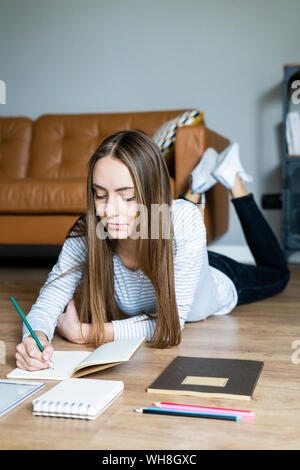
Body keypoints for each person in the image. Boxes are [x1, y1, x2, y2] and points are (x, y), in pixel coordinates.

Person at [15, 130, 290, 371]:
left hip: (219, 277)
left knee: (279, 274)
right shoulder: (88, 231)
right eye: (100, 194)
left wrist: (86, 333)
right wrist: (33, 338)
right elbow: (51, 297)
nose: (109, 211)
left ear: (150, 192)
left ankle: (234, 180)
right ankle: (197, 185)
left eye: (127, 197)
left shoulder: (183, 220)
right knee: (169, 218)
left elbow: (171, 326)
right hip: (175, 244)